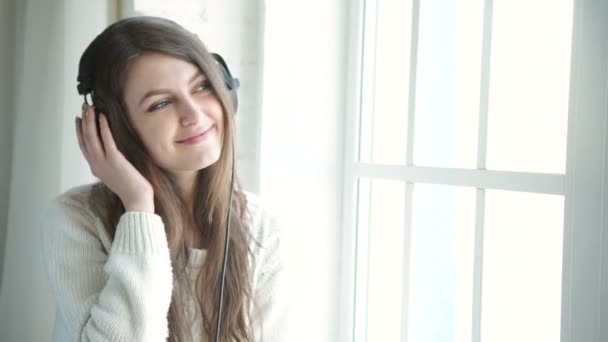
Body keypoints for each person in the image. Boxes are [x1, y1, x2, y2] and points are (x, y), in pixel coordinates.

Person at [40, 16, 286, 342]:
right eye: (161, 103)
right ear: (111, 127)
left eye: (202, 86)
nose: (194, 115)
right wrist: (139, 208)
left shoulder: (258, 225)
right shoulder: (76, 220)